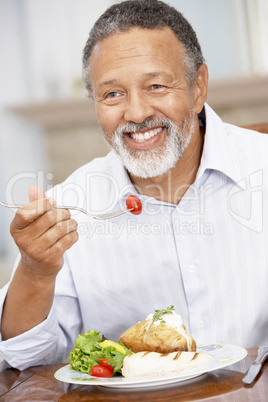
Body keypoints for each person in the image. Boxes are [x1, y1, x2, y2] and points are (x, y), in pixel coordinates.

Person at [0, 0, 268, 371]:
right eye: (112, 94)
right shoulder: (68, 205)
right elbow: (25, 359)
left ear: (199, 87)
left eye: (156, 86)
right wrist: (34, 271)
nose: (138, 113)